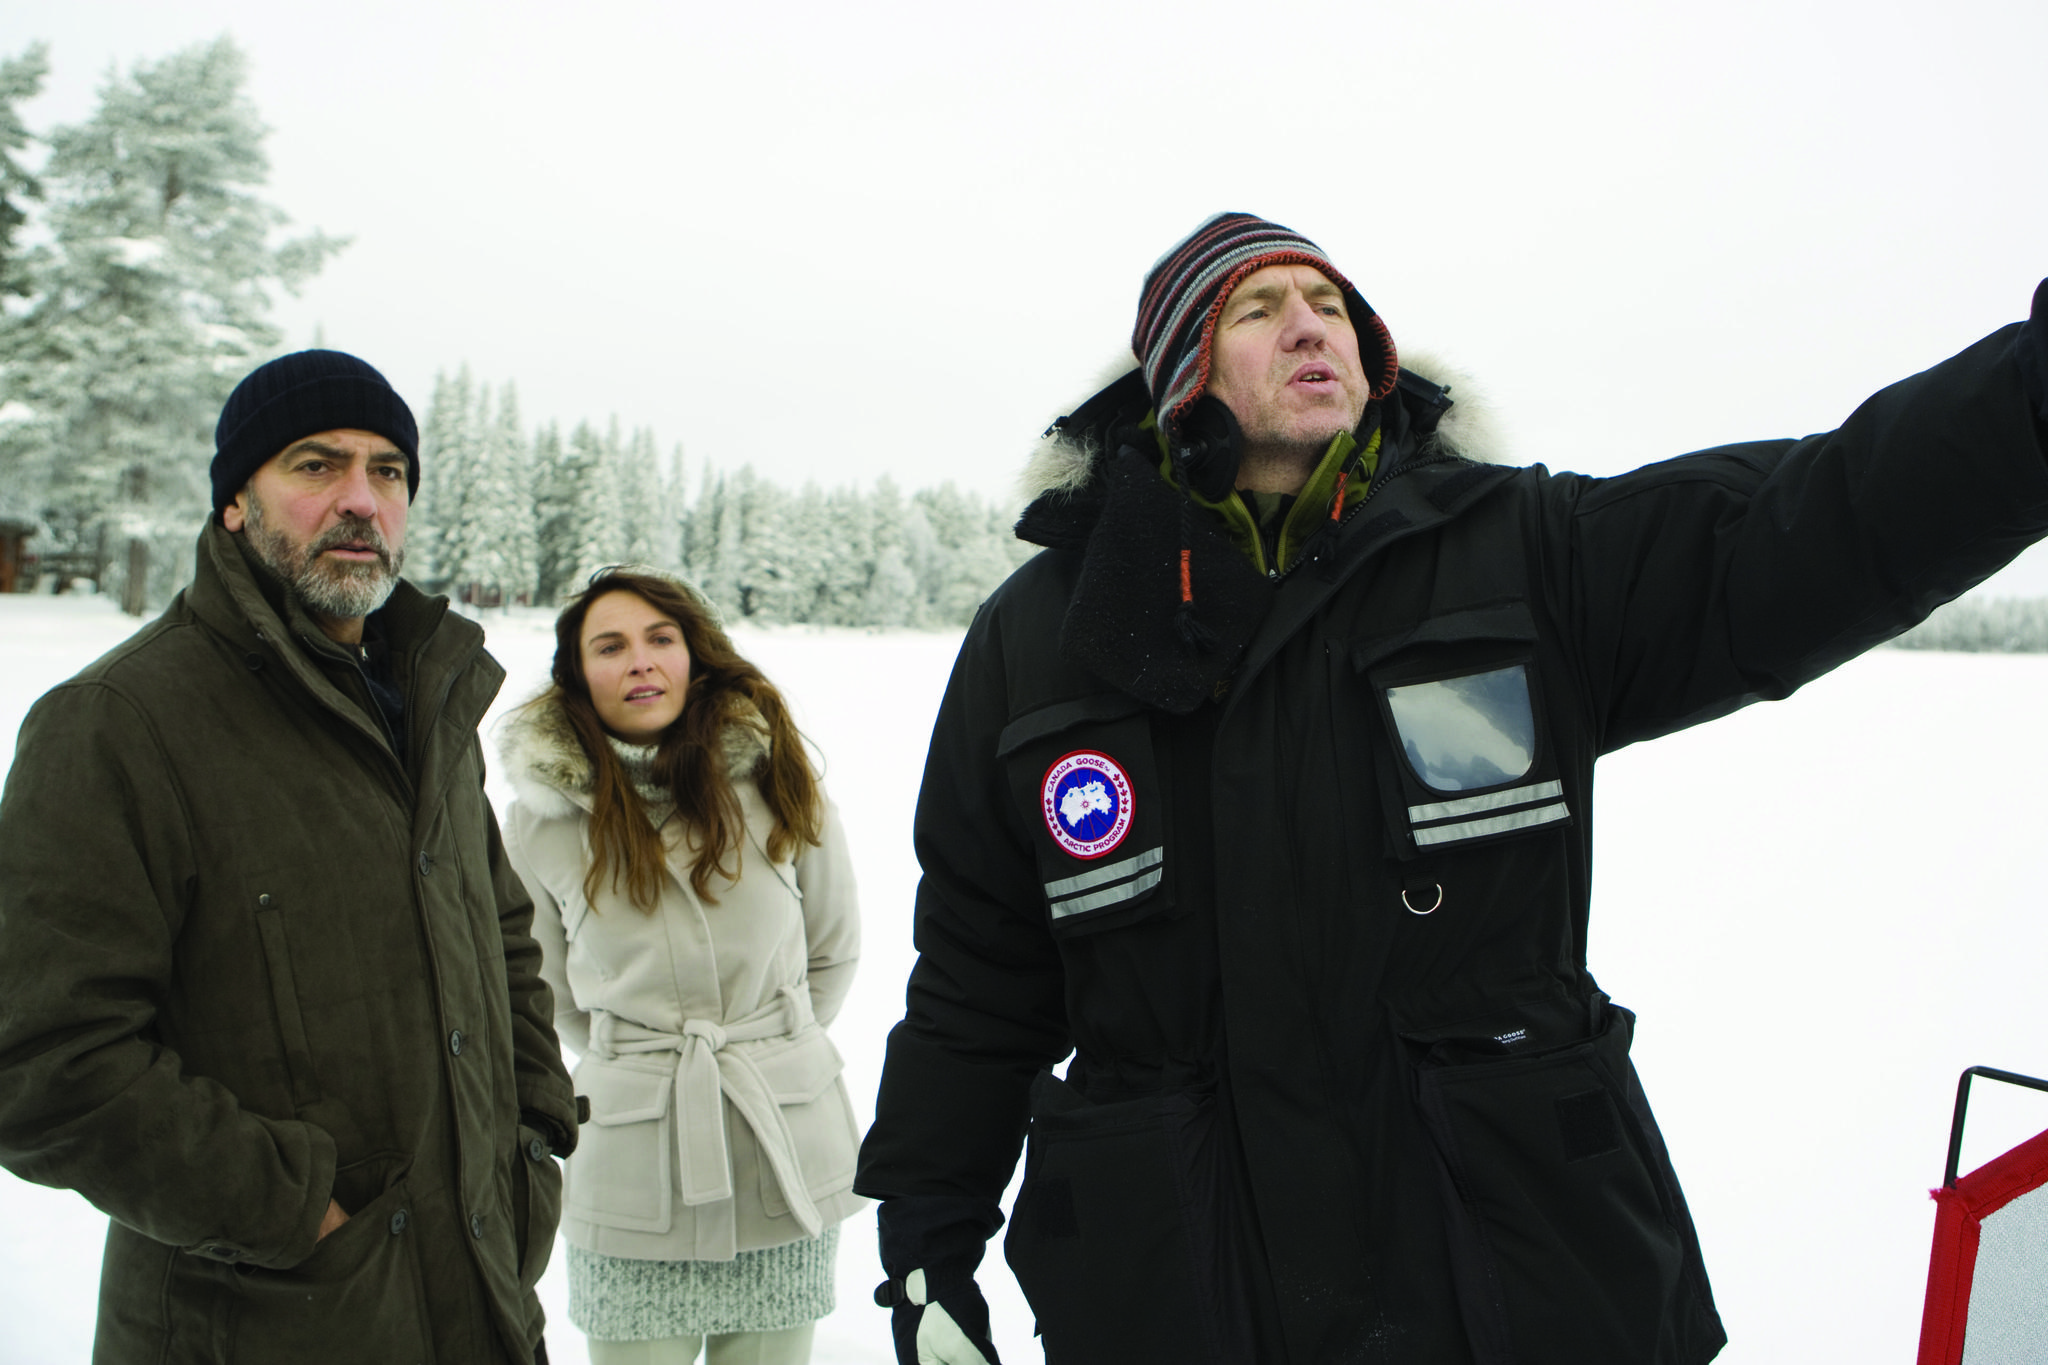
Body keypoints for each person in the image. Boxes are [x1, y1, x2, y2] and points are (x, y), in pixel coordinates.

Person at [853, 213, 2048, 1365]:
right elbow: (979, 974)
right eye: (1259, 309)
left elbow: (1825, 515)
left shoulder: (1521, 551)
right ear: (1178, 378)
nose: (1310, 326)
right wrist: (927, 1239)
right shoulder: (1042, 636)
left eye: (1330, 306)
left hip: (1511, 1276)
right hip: (1182, 1288)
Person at [0, 349, 581, 1362]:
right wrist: (298, 1210)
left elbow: (500, 936)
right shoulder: (117, 724)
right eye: (316, 466)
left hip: (482, 1304)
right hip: (264, 1325)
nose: (361, 500)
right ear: (236, 502)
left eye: (387, 471)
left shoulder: (426, 704)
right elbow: (45, 1066)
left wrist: (530, 1132)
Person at [498, 568, 863, 1365]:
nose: (640, 662)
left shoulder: (780, 777)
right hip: (634, 1175)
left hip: (780, 1160)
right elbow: (547, 994)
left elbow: (832, 951)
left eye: (661, 639)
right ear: (577, 674)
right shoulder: (539, 826)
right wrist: (647, 1062)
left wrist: (767, 1048)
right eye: (610, 645)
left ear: (696, 656)